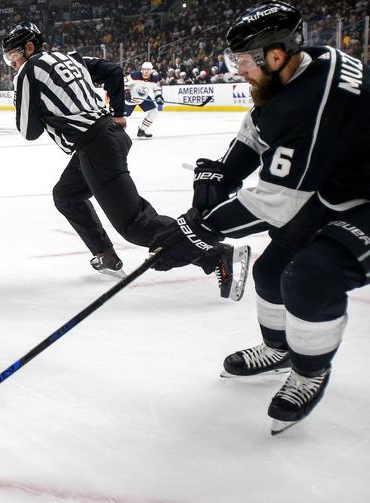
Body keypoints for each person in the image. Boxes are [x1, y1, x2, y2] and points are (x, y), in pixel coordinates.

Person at [148, 1, 370, 434]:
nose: (238, 70)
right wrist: (226, 170)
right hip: (337, 190)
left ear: (275, 55)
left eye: (244, 61)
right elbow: (258, 127)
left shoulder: (314, 101)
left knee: (310, 276)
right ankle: (280, 349)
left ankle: (310, 370)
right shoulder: (304, 68)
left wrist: (200, 228)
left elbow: (278, 203)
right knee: (272, 268)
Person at [1, 22, 250, 299]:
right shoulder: (70, 58)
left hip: (95, 147)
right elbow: (113, 71)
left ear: (30, 47)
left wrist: (36, 104)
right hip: (106, 136)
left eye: (12, 56)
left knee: (135, 224)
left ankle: (215, 254)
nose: (12, 63)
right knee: (66, 195)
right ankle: (105, 254)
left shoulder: (27, 71)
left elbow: (28, 131)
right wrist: (118, 112)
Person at [123, 61, 164, 138]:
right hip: (131, 98)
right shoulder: (134, 75)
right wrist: (127, 93)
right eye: (144, 69)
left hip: (143, 98)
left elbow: (156, 89)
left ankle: (142, 131)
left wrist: (158, 97)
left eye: (148, 69)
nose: (146, 71)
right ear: (141, 69)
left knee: (154, 112)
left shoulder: (154, 79)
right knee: (122, 115)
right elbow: (123, 83)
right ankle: (115, 132)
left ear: (151, 70)